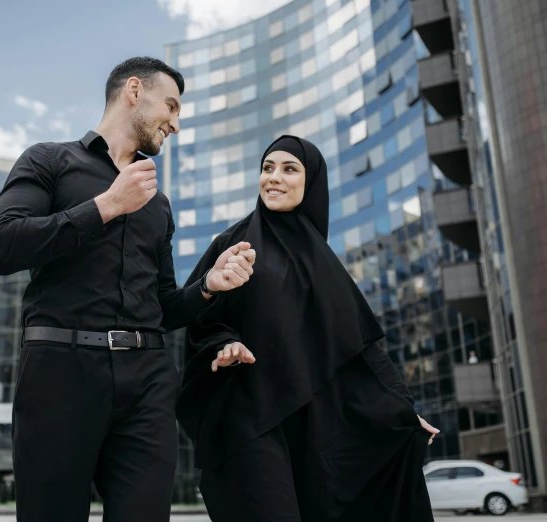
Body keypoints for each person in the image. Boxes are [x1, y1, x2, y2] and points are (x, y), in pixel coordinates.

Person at [0, 57, 256, 522]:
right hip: (60, 373)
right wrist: (107, 206)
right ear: (134, 90)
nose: (176, 122)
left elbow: (166, 307)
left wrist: (208, 286)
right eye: (170, 106)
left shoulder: (159, 203)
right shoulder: (48, 159)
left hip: (148, 381)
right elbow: (5, 247)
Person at [177, 135, 439, 521]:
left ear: (311, 182)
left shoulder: (322, 261)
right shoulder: (232, 243)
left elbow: (361, 344)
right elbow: (200, 319)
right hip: (250, 414)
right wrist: (225, 342)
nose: (273, 178)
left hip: (313, 421)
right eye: (267, 168)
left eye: (289, 169)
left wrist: (402, 408)